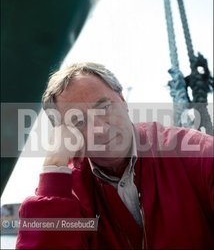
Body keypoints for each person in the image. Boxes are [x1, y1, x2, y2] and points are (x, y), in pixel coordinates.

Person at [16, 62, 214, 250]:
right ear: (64, 133)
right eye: (78, 121)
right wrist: (53, 166)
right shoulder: (67, 190)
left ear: (122, 100)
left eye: (104, 108)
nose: (100, 129)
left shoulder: (195, 154)